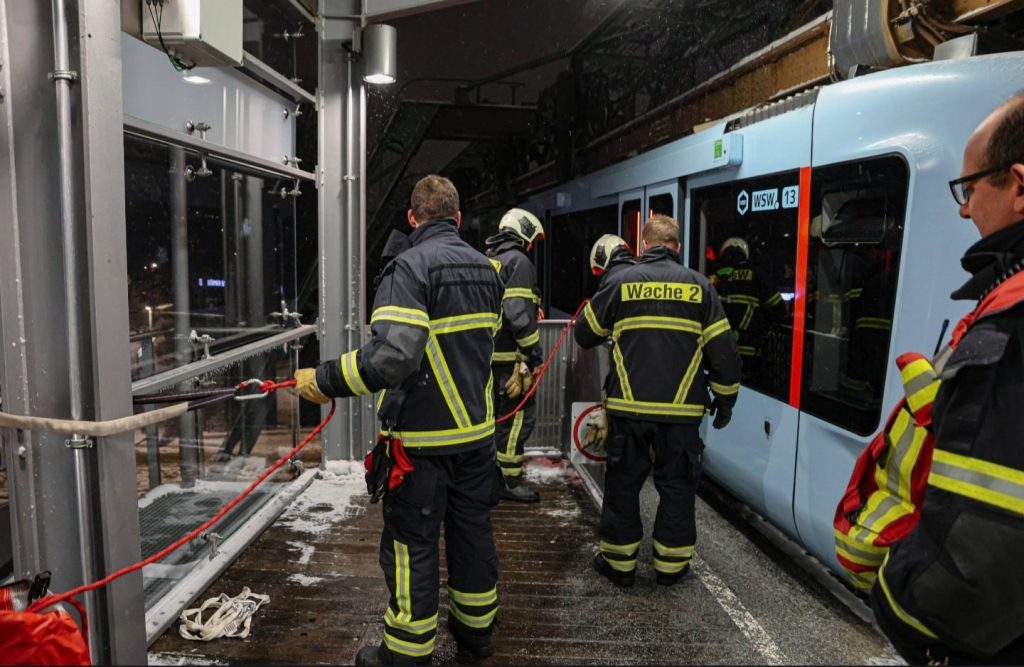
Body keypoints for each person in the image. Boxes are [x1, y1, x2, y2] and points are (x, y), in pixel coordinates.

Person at [293, 175, 504, 666]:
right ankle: (476, 633)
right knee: (473, 535)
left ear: (412, 217)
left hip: (423, 444)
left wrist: (324, 379)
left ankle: (407, 653)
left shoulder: (409, 267)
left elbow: (394, 357)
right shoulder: (489, 269)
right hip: (477, 438)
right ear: (457, 218)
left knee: (413, 546)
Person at [871, 93, 1024, 664]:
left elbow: (976, 555)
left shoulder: (1010, 323)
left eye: (969, 189)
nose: (963, 211)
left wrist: (895, 601)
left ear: (1017, 186)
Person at [574, 214, 741, 587]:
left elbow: (585, 334)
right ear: (677, 247)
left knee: (623, 484)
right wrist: (726, 400)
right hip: (682, 413)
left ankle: (619, 565)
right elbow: (724, 353)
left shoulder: (621, 282)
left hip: (629, 409)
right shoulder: (701, 287)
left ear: (643, 246)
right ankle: (670, 568)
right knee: (678, 486)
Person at [485, 208, 546, 502]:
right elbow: (516, 312)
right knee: (517, 420)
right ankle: (508, 481)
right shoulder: (519, 261)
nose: (531, 248)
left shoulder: (492, 260)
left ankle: (490, 476)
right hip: (512, 361)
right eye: (531, 242)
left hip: (490, 358)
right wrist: (533, 355)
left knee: (494, 420)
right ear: (524, 235)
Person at [710, 237, 786, 386]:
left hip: (717, 350)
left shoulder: (712, 277)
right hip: (749, 350)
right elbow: (778, 310)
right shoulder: (756, 274)